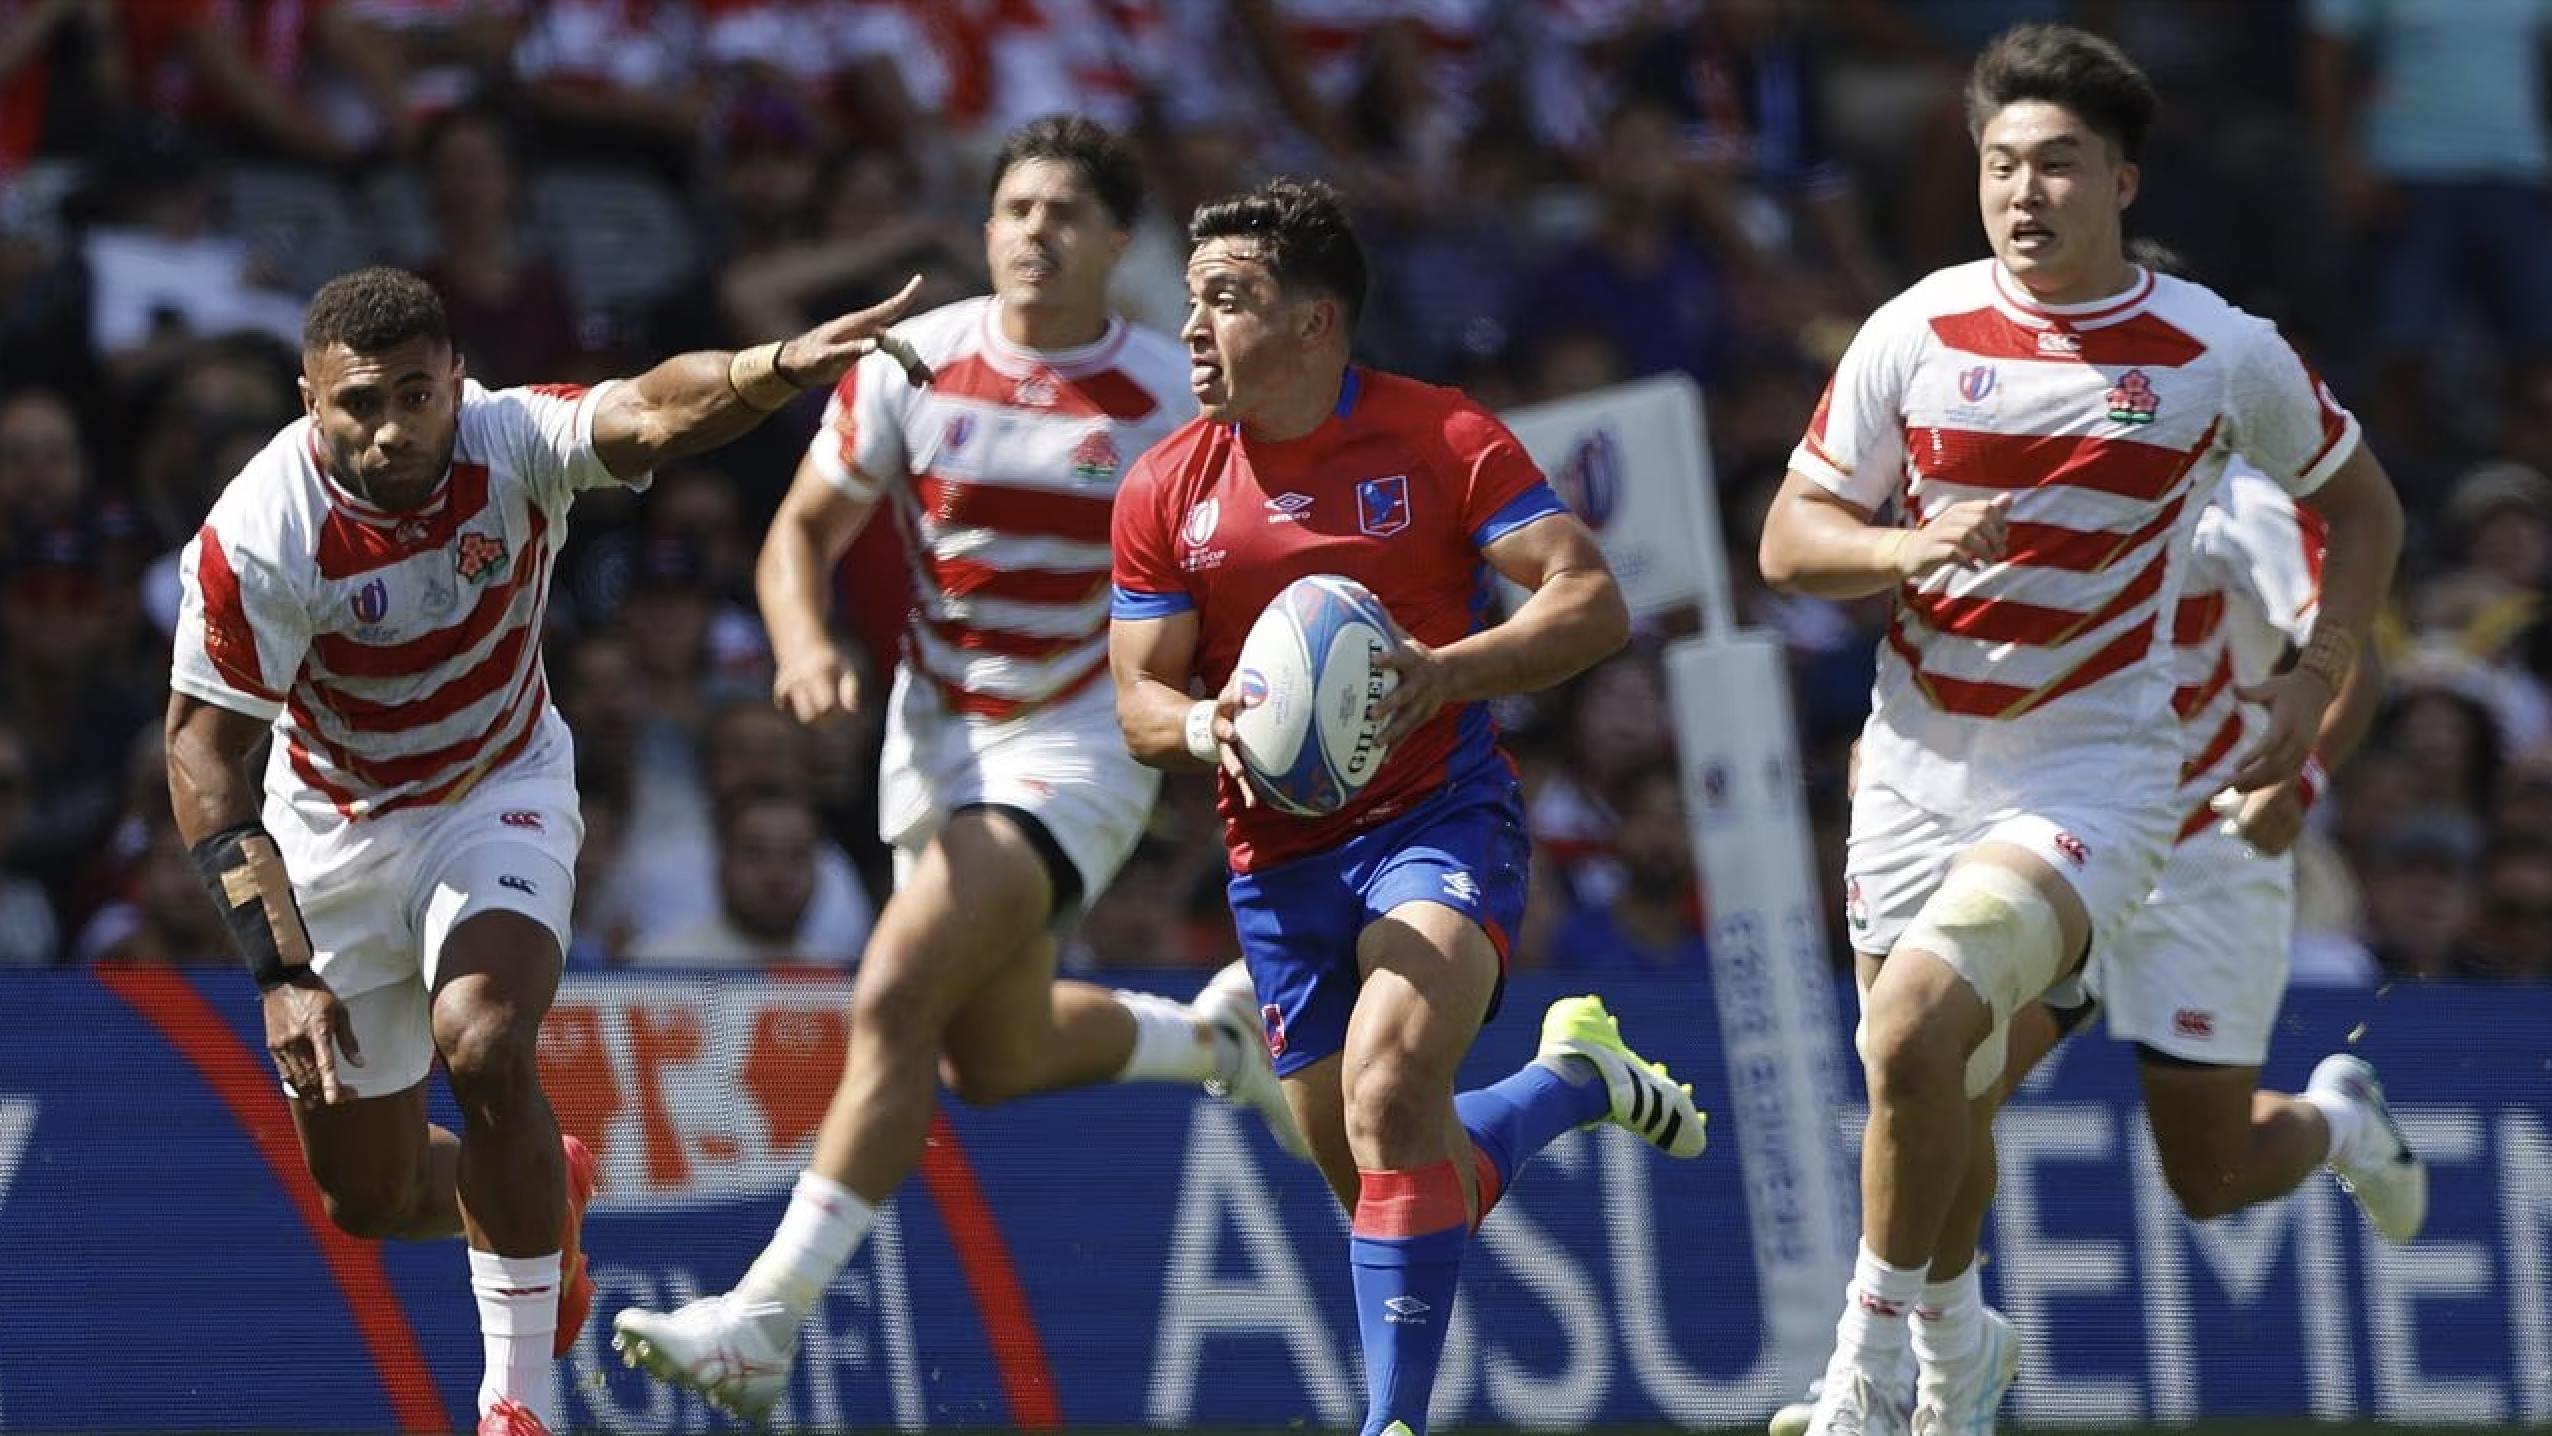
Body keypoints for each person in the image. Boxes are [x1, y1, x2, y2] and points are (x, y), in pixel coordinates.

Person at [1754, 25, 2408, 1436]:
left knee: (1936, 1041)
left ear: (2120, 178)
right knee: (1933, 1078)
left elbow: (2366, 513)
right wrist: (1902, 552)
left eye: (2057, 163)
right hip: (1918, 761)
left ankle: (1862, 1378)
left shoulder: (2219, 355)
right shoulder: (1915, 327)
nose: (2024, 192)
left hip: (2107, 780)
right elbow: (1792, 540)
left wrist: (2312, 688)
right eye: (2000, 166)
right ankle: (1960, 1353)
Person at [607, 114, 1308, 1417]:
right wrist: (804, 640)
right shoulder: (913, 361)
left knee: (894, 993)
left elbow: (1258, 571)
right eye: (1015, 209)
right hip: (930, 740)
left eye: (1065, 213)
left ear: (1115, 243)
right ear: (986, 232)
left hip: (1079, 741)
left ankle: (762, 1322)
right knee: (992, 1054)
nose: (1036, 231)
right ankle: (1217, 1046)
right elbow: (799, 533)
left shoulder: (1176, 395)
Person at [166, 262, 930, 1436]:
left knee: (482, 1038)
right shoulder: (260, 532)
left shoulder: (511, 439)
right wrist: (280, 971)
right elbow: (204, 755)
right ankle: (544, 1188)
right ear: (309, 397)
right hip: (335, 830)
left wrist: (772, 367)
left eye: (414, 396)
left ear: (455, 382)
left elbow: (654, 409)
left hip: (498, 788)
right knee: (364, 1195)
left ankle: (513, 1400)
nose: (389, 428)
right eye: (357, 403)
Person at [1109, 175, 1709, 1436]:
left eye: (1226, 300)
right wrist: (1208, 724)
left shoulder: (1441, 436)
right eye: (1190, 301)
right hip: (1276, 869)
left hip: (1436, 819)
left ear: (1317, 321)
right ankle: (1570, 1083)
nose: (1192, 329)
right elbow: (1139, 705)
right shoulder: (1163, 487)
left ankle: (1390, 1424)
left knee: (1389, 1092)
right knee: (1404, 1168)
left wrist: (1445, 671)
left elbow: (1585, 600)